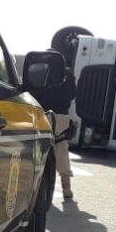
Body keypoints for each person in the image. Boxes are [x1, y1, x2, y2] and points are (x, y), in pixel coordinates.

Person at [32, 65, 76, 199]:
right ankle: (66, 187)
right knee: (62, 150)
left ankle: (38, 184)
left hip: (44, 115)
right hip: (61, 117)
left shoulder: (40, 70)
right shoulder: (66, 75)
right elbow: (72, 94)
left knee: (40, 150)